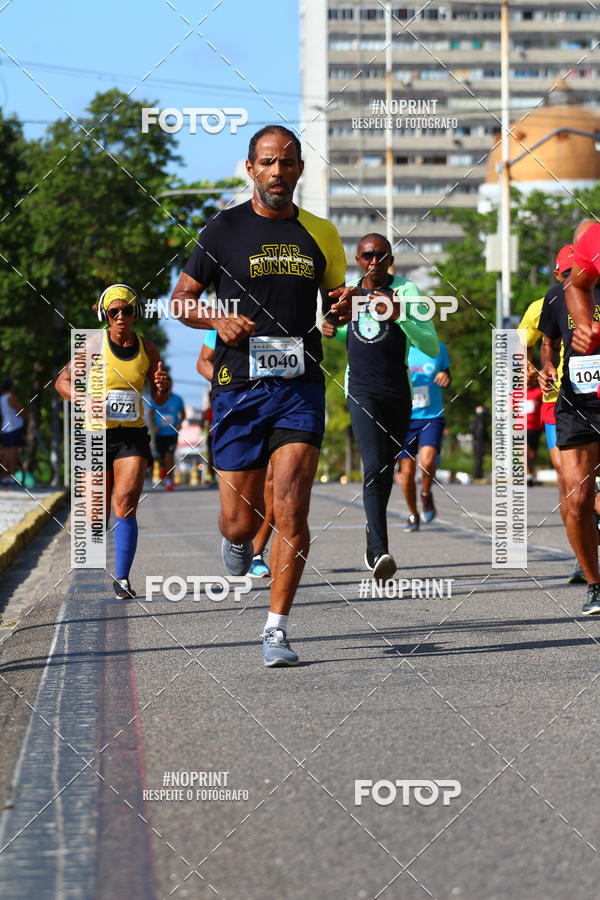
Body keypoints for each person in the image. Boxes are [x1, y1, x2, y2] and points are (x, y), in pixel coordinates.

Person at [171, 125, 346, 666]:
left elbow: (335, 299)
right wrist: (216, 318)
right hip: (239, 388)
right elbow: (182, 300)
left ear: (299, 169)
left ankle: (276, 630)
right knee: (240, 522)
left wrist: (339, 311)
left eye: (287, 163)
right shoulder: (223, 230)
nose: (277, 172)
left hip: (300, 386)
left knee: (291, 506)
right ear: (250, 168)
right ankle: (238, 541)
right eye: (267, 162)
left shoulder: (322, 233)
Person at [322, 233, 439, 579]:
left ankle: (371, 541)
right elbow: (351, 329)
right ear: (357, 259)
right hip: (360, 390)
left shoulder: (407, 292)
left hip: (397, 393)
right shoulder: (349, 293)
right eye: (366, 255)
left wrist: (399, 314)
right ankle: (382, 553)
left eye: (379, 255)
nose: (372, 260)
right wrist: (332, 327)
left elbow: (430, 344)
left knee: (385, 470)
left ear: (390, 258)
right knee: (373, 464)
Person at [55, 284, 169, 600]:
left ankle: (123, 579)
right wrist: (84, 399)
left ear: (135, 313)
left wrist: (162, 386)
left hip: (132, 434)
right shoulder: (93, 345)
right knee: (95, 517)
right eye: (114, 311)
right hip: (96, 435)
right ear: (106, 315)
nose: (121, 317)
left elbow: (161, 395)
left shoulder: (149, 350)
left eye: (127, 310)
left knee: (126, 502)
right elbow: (61, 382)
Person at [519, 245, 595, 582]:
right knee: (572, 486)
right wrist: (538, 366)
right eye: (565, 275)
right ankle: (585, 563)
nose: (571, 280)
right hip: (564, 403)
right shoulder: (549, 301)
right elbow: (526, 343)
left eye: (575, 273)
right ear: (558, 274)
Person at [541, 220, 600, 613]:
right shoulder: (591, 245)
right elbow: (575, 287)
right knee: (578, 497)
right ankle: (595, 583)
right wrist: (587, 327)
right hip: (580, 397)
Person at [197, 330, 274, 578]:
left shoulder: (288, 306)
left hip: (281, 403)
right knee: (241, 510)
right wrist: (227, 382)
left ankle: (257, 554)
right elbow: (202, 362)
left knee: (275, 484)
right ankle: (238, 537)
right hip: (240, 408)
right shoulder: (228, 315)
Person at [399, 342, 451, 531]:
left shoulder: (438, 347)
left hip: (432, 416)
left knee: (428, 462)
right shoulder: (399, 345)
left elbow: (447, 375)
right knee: (407, 472)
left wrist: (445, 376)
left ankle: (426, 493)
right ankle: (413, 514)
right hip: (405, 417)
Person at [148, 375, 185, 491]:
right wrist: (154, 425)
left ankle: (169, 480)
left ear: (172, 385)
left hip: (172, 433)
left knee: (169, 455)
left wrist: (180, 423)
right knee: (160, 458)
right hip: (160, 433)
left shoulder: (177, 399)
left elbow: (183, 413)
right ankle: (164, 476)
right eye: (166, 384)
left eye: (169, 384)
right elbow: (150, 413)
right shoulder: (155, 398)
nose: (168, 386)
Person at [0, 377, 25, 484]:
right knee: (13, 453)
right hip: (14, 428)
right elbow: (21, 410)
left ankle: (4, 477)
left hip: (5, 427)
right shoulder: (12, 397)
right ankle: (13, 477)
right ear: (11, 387)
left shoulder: (2, 398)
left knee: (6, 453)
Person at [469, 405, 489, 481]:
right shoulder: (480, 421)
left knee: (478, 459)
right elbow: (481, 432)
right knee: (479, 460)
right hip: (479, 442)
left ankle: (478, 475)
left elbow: (471, 430)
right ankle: (478, 476)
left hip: (476, 442)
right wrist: (486, 441)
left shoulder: (475, 420)